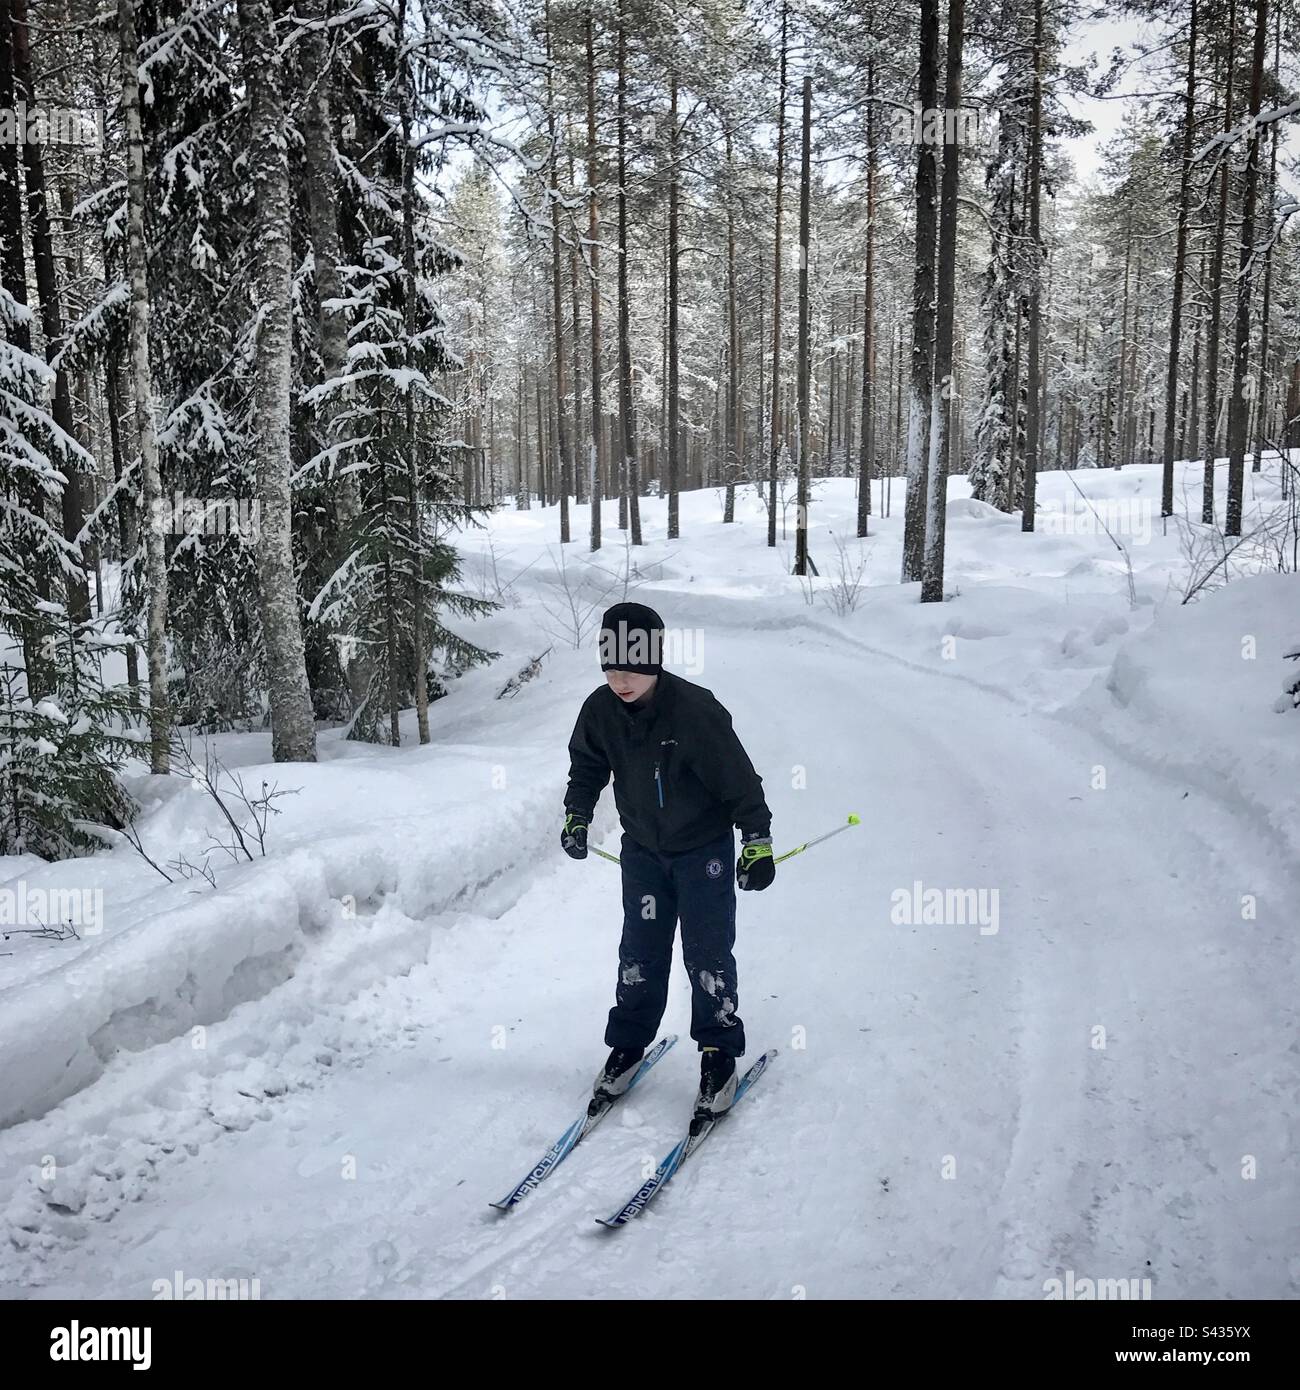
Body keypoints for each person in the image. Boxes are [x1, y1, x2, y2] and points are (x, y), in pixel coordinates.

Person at [561, 602, 774, 1122]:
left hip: (703, 853)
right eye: (610, 668)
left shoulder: (695, 711)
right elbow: (587, 768)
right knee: (641, 951)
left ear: (654, 661)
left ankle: (718, 1053)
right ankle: (630, 1044)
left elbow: (739, 780)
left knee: (707, 955)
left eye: (631, 668)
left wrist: (757, 839)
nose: (620, 680)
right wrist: (576, 816)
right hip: (644, 853)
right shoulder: (599, 711)